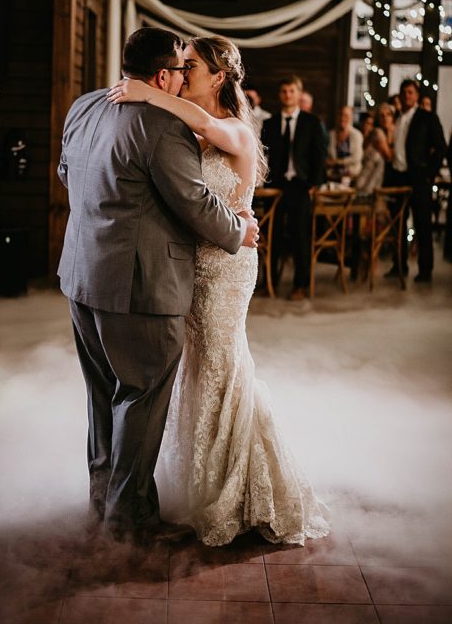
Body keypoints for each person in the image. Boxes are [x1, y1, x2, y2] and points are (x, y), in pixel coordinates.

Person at [108, 34, 329, 546]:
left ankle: (246, 489)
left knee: (225, 368)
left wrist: (144, 91)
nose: (182, 72)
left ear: (219, 76)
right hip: (192, 268)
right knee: (197, 372)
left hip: (228, 268)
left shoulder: (234, 129)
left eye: (191, 66)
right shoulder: (186, 128)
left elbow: (207, 125)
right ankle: (200, 483)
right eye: (179, 66)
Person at [57, 27, 259, 541]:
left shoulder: (84, 106)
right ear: (164, 73)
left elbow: (68, 172)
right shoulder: (161, 126)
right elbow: (194, 204)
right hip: (140, 286)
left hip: (82, 277)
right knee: (141, 396)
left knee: (102, 394)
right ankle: (129, 522)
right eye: (180, 69)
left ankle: (103, 503)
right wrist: (239, 229)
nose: (183, 78)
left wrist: (113, 214)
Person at [261, 76, 328, 301]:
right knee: (274, 236)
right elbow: (263, 155)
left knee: (300, 236)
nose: (288, 95)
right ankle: (269, 281)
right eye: (284, 91)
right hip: (277, 187)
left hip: (301, 186)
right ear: (280, 95)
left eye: (292, 91)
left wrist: (314, 184)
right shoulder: (270, 123)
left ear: (299, 94)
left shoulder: (311, 122)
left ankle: (300, 284)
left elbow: (320, 156)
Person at [385, 80, 447, 282]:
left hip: (419, 178)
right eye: (403, 92)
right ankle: (398, 265)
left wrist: (429, 173)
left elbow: (440, 148)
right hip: (398, 176)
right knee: (398, 225)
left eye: (410, 92)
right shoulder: (397, 117)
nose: (406, 96)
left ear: (417, 96)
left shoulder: (427, 118)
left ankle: (425, 269)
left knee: (422, 225)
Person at [327, 105, 363, 181]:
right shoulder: (331, 134)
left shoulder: (356, 135)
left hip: (351, 176)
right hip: (333, 175)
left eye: (346, 115)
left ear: (351, 117)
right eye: (340, 115)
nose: (342, 118)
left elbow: (356, 157)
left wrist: (337, 162)